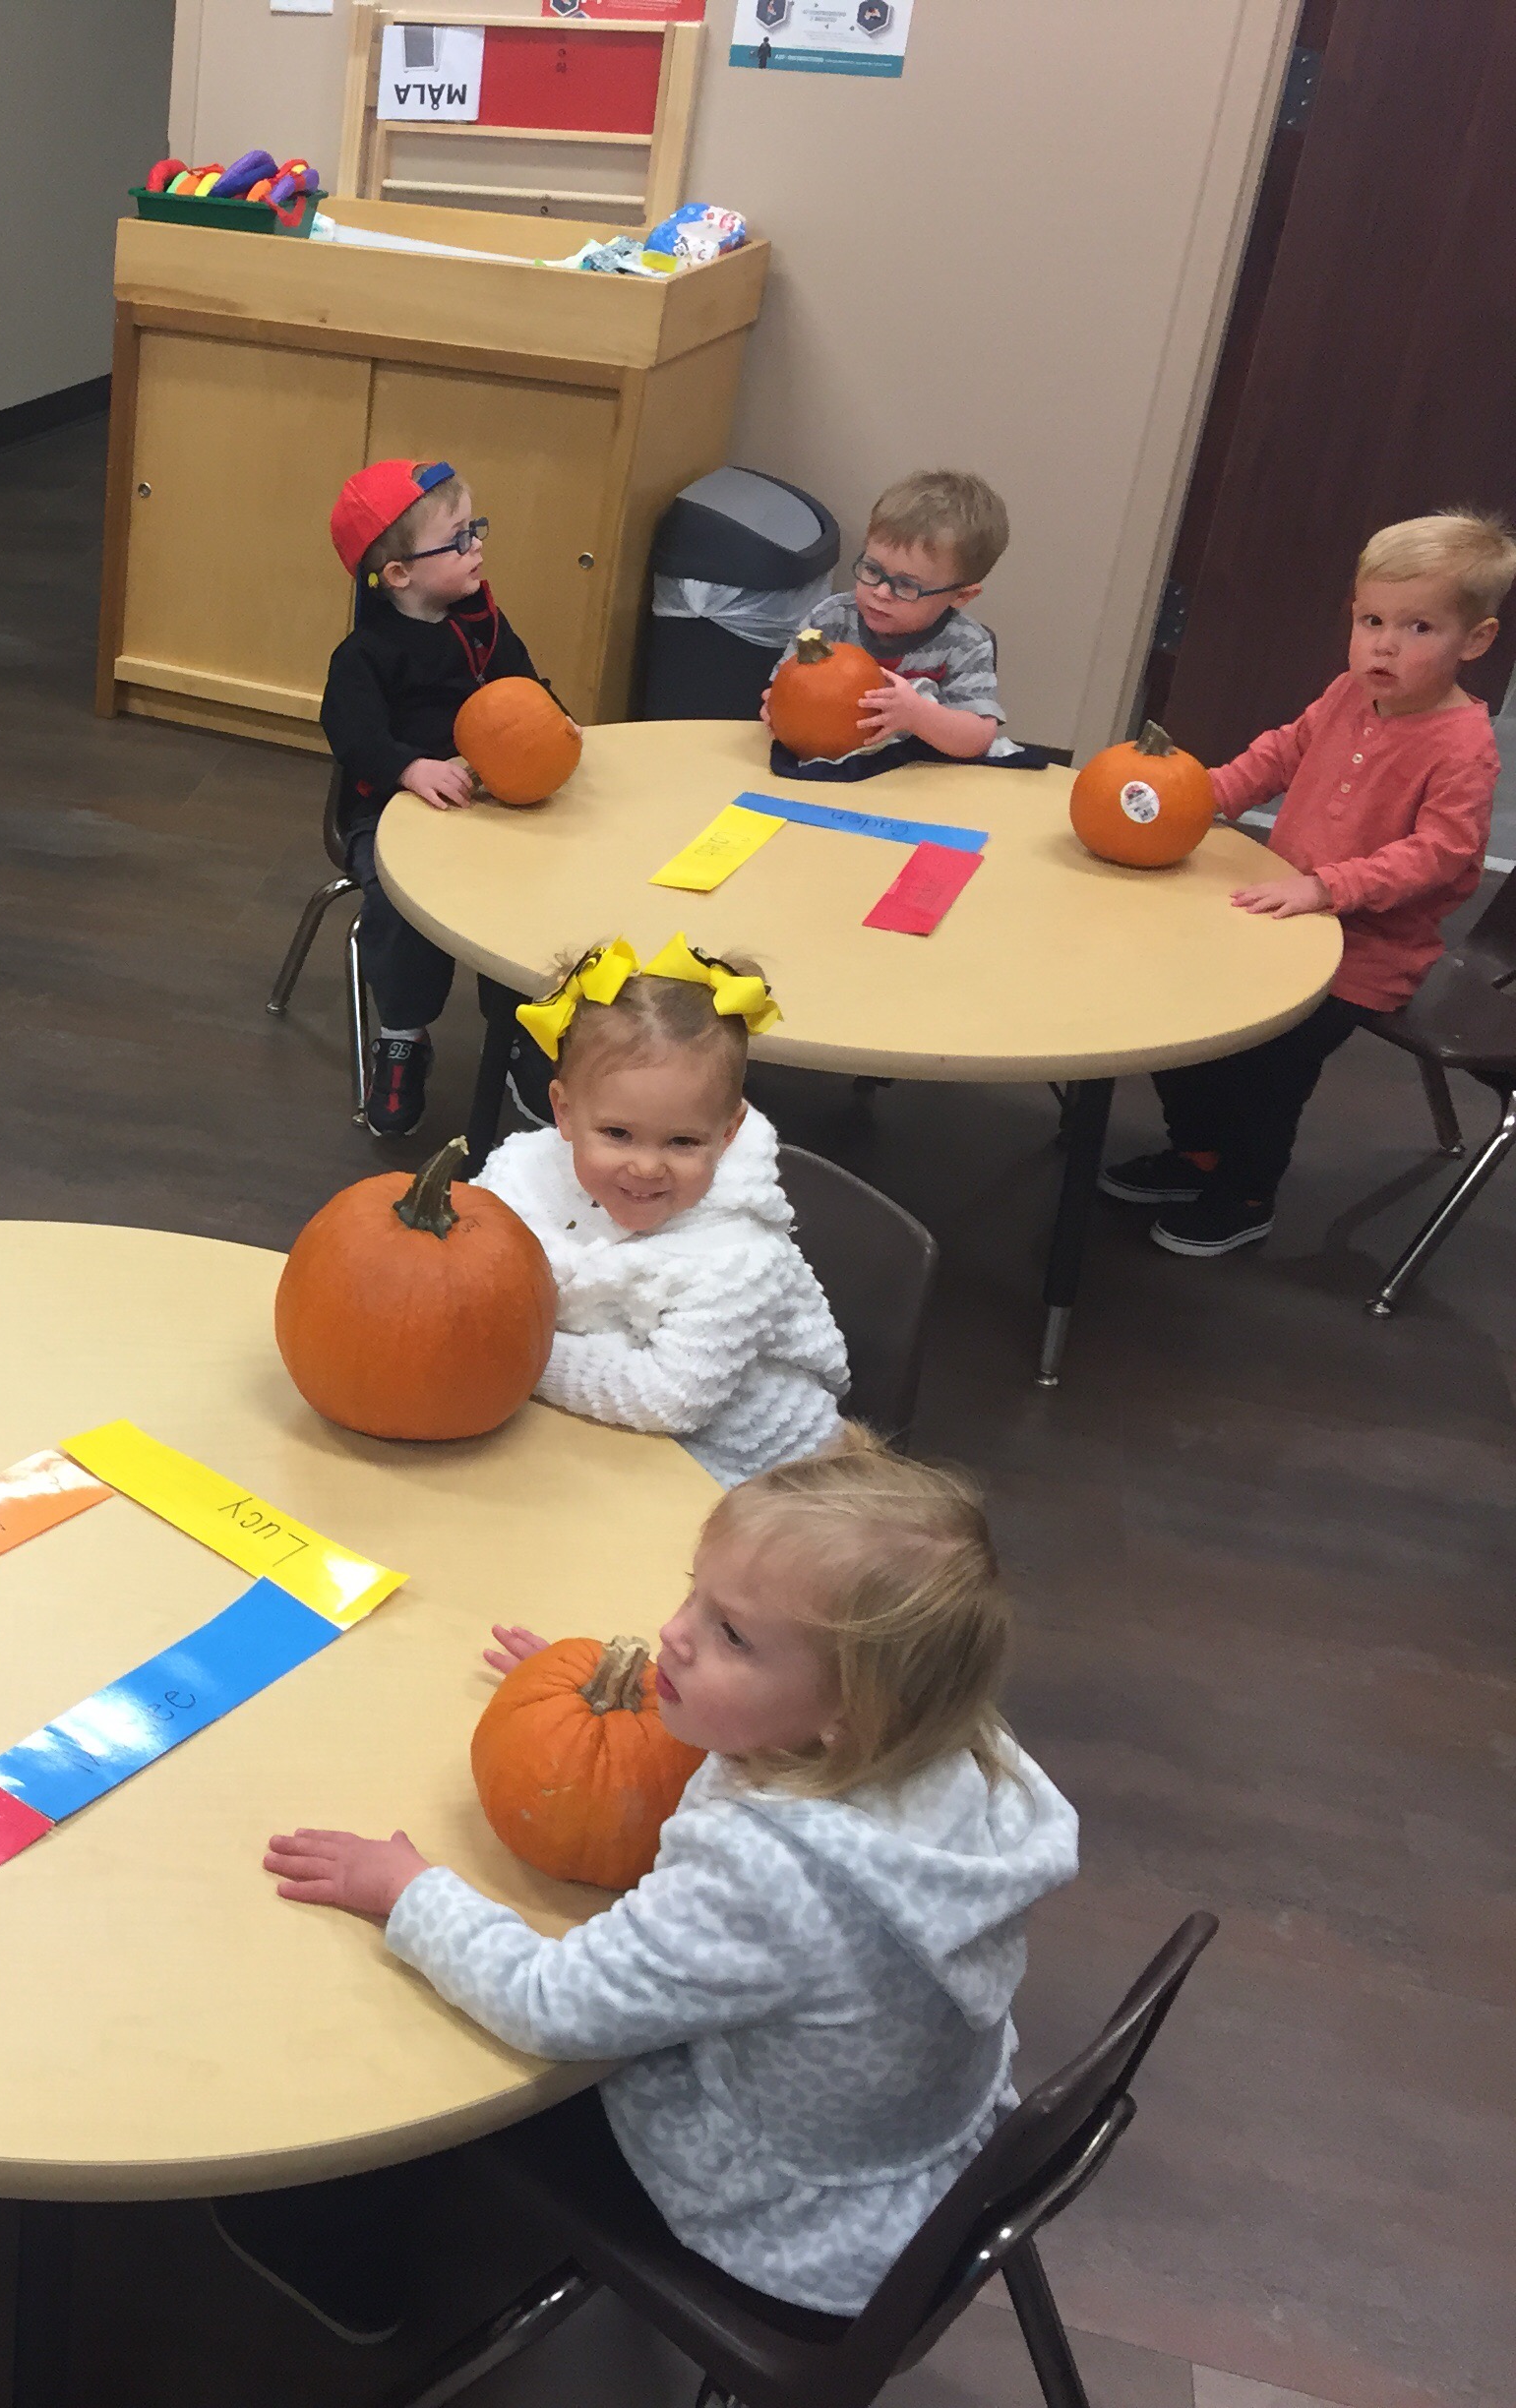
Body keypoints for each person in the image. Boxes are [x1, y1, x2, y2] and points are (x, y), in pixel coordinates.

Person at [239, 1429, 1079, 2337]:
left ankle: (335, 2257)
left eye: (731, 1634)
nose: (674, 1635)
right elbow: (756, 1736)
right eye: (694, 1593)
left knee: (421, 2049)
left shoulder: (762, 1877)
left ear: (851, 1714)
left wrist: (410, 1892)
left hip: (791, 2229)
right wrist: (602, 1695)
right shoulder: (955, 1747)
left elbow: (551, 2002)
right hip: (928, 2151)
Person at [1099, 510, 1513, 1256]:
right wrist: (1200, 796)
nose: (1385, 644)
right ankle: (1197, 1155)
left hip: (1365, 954)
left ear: (1475, 641)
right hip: (1282, 917)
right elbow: (1279, 754)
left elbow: (1442, 855)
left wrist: (1329, 887)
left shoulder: (1463, 747)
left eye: (1420, 628)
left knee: (1267, 1066)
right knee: (1181, 1018)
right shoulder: (1348, 692)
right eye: (1372, 620)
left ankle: (1246, 1193)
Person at [471, 935, 847, 1485]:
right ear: (565, 1112)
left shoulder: (739, 1257)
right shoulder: (520, 1174)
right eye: (617, 1133)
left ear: (728, 1132)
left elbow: (670, 1398)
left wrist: (512, 1355)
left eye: (683, 1142)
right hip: (583, 1435)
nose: (647, 1167)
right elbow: (468, 1263)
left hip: (749, 1467)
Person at [319, 456, 553, 1138]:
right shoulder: (364, 655)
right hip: (391, 813)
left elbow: (524, 691)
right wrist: (408, 768)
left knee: (530, 885)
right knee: (402, 902)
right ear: (399, 574)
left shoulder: (485, 625)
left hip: (488, 799)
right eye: (457, 539)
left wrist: (554, 723)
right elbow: (352, 735)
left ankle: (516, 1025)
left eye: (475, 529)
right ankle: (402, 1034)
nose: (476, 546)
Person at [769, 469, 1014, 764]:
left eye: (906, 585)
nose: (881, 592)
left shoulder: (967, 645)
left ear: (960, 596)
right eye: (873, 570)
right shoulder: (829, 618)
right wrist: (775, 708)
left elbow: (978, 738)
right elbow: (783, 686)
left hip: (919, 773)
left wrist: (917, 716)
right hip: (832, 764)